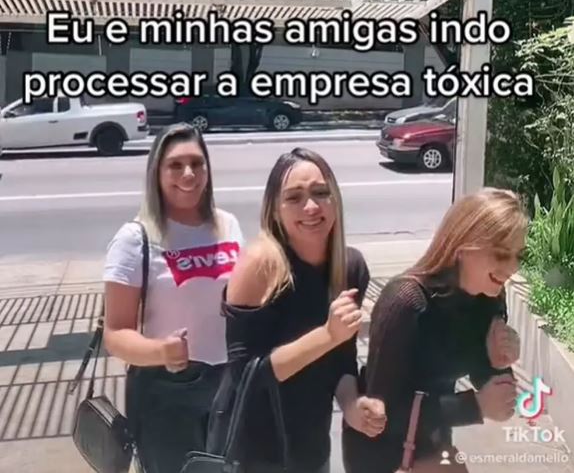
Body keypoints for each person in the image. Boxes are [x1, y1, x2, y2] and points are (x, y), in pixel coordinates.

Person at [207, 147, 387, 473]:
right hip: (254, 453)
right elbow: (247, 376)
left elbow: (341, 358)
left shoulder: (350, 267)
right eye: (294, 197)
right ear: (275, 210)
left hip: (312, 447)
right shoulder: (260, 265)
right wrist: (326, 335)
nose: (311, 206)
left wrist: (352, 405)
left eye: (321, 193)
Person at [342, 187, 526, 473]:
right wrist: (475, 406)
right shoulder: (405, 301)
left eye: (518, 255)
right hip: (381, 454)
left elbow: (496, 397)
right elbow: (382, 413)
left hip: (432, 440)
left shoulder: (489, 297)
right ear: (463, 247)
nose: (512, 267)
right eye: (501, 254)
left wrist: (499, 363)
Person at [102, 123, 244, 473]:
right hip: (166, 393)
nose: (189, 174)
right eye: (175, 165)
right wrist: (160, 352)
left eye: (197, 163)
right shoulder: (135, 238)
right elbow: (115, 334)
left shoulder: (228, 224)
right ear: (157, 172)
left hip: (228, 385)